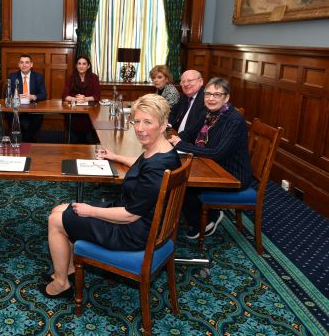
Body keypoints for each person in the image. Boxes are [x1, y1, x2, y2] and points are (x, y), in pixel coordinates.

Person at [40, 94, 181, 298]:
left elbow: (130, 215)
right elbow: (142, 165)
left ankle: (61, 283)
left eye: (147, 122)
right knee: (59, 209)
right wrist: (115, 156)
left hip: (132, 230)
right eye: (137, 121)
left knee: (55, 219)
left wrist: (91, 211)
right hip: (136, 217)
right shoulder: (162, 150)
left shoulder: (158, 165)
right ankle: (68, 269)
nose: (140, 128)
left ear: (163, 125)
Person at [169, 77, 252, 239]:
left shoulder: (233, 120)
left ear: (226, 97)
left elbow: (217, 153)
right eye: (208, 94)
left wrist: (180, 145)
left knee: (182, 182)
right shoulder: (208, 113)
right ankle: (180, 214)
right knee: (172, 170)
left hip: (231, 174)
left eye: (217, 95)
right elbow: (189, 133)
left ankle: (207, 219)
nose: (211, 98)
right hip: (212, 165)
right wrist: (169, 140)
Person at [62, 55, 101, 143]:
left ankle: (84, 141)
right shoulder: (71, 77)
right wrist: (75, 99)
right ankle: (79, 141)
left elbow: (97, 96)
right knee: (74, 122)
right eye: (79, 64)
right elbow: (64, 96)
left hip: (90, 111)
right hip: (74, 111)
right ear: (76, 66)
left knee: (88, 122)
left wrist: (85, 98)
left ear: (88, 66)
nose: (81, 66)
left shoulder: (94, 78)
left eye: (84, 64)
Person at [8, 54, 47, 142]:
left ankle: (24, 138)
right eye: (21, 62)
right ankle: (28, 139)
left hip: (33, 108)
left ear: (31, 64)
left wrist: (33, 96)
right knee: (9, 114)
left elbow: (44, 94)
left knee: (39, 116)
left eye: (27, 62)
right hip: (17, 108)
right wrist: (16, 96)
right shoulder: (12, 77)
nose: (24, 65)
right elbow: (6, 95)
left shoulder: (38, 77)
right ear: (18, 65)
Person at [168, 69, 207, 135]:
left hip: (188, 140)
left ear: (201, 81)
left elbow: (196, 128)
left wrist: (177, 138)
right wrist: (168, 127)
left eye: (190, 80)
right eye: (183, 82)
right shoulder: (184, 96)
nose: (185, 84)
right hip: (173, 133)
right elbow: (173, 112)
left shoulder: (205, 99)